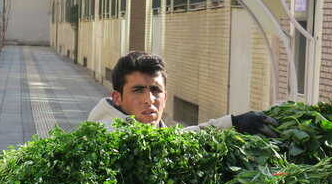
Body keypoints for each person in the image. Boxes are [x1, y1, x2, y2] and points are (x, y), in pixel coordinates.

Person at [88, 51, 279, 137]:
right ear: (117, 98)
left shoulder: (161, 136)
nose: (149, 99)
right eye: (138, 90)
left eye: (156, 90)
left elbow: (181, 137)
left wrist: (234, 123)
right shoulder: (104, 136)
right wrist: (231, 123)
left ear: (166, 97)